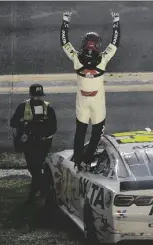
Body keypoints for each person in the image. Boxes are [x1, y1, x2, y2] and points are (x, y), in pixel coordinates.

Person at [60, 10, 121, 171]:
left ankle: (78, 161)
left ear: (84, 44)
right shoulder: (102, 59)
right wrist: (116, 22)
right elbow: (114, 44)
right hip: (97, 100)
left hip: (82, 100)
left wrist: (65, 20)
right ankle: (87, 160)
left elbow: (64, 42)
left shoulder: (76, 58)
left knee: (80, 132)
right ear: (97, 45)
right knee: (96, 134)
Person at [10, 84, 57, 204]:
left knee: (36, 167)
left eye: (39, 97)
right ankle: (44, 187)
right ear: (31, 95)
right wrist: (26, 124)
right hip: (29, 142)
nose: (37, 99)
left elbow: (53, 127)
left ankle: (34, 193)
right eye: (35, 97)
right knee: (32, 167)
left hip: (43, 142)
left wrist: (41, 128)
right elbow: (13, 122)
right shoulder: (23, 106)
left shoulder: (48, 107)